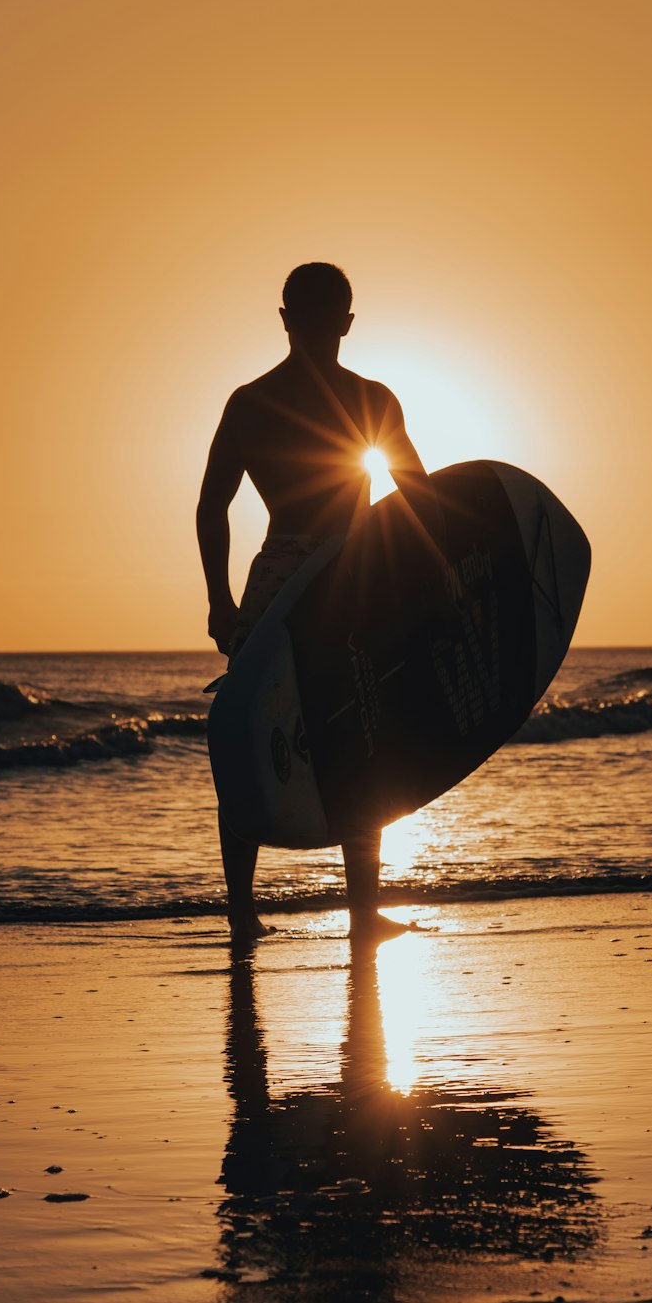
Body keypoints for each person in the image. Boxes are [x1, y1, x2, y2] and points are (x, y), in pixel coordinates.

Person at [197, 262, 444, 948]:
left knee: (257, 732)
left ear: (287, 318)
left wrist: (221, 599)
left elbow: (212, 508)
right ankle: (354, 911)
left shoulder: (252, 402)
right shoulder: (369, 400)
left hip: (286, 576)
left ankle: (246, 910)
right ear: (345, 321)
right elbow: (421, 501)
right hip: (351, 575)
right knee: (362, 733)